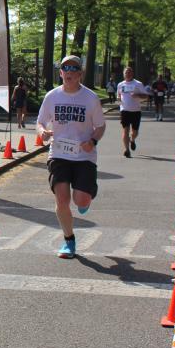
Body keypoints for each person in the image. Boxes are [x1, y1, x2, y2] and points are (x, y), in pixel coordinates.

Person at [36, 55, 106, 260]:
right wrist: (42, 132)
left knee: (80, 200)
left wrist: (92, 141)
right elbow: (40, 122)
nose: (69, 72)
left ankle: (86, 195)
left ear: (80, 74)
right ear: (60, 73)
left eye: (73, 68)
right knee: (62, 199)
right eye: (65, 68)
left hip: (84, 155)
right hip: (58, 153)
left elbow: (100, 126)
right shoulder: (52, 96)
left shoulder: (90, 98)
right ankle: (69, 240)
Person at [116, 66, 148, 158]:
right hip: (124, 110)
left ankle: (132, 139)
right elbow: (118, 95)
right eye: (126, 72)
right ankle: (127, 150)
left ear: (132, 74)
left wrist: (137, 95)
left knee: (135, 132)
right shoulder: (120, 84)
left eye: (129, 72)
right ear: (124, 74)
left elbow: (146, 96)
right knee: (125, 131)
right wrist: (118, 100)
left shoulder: (138, 84)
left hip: (136, 111)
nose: (128, 74)